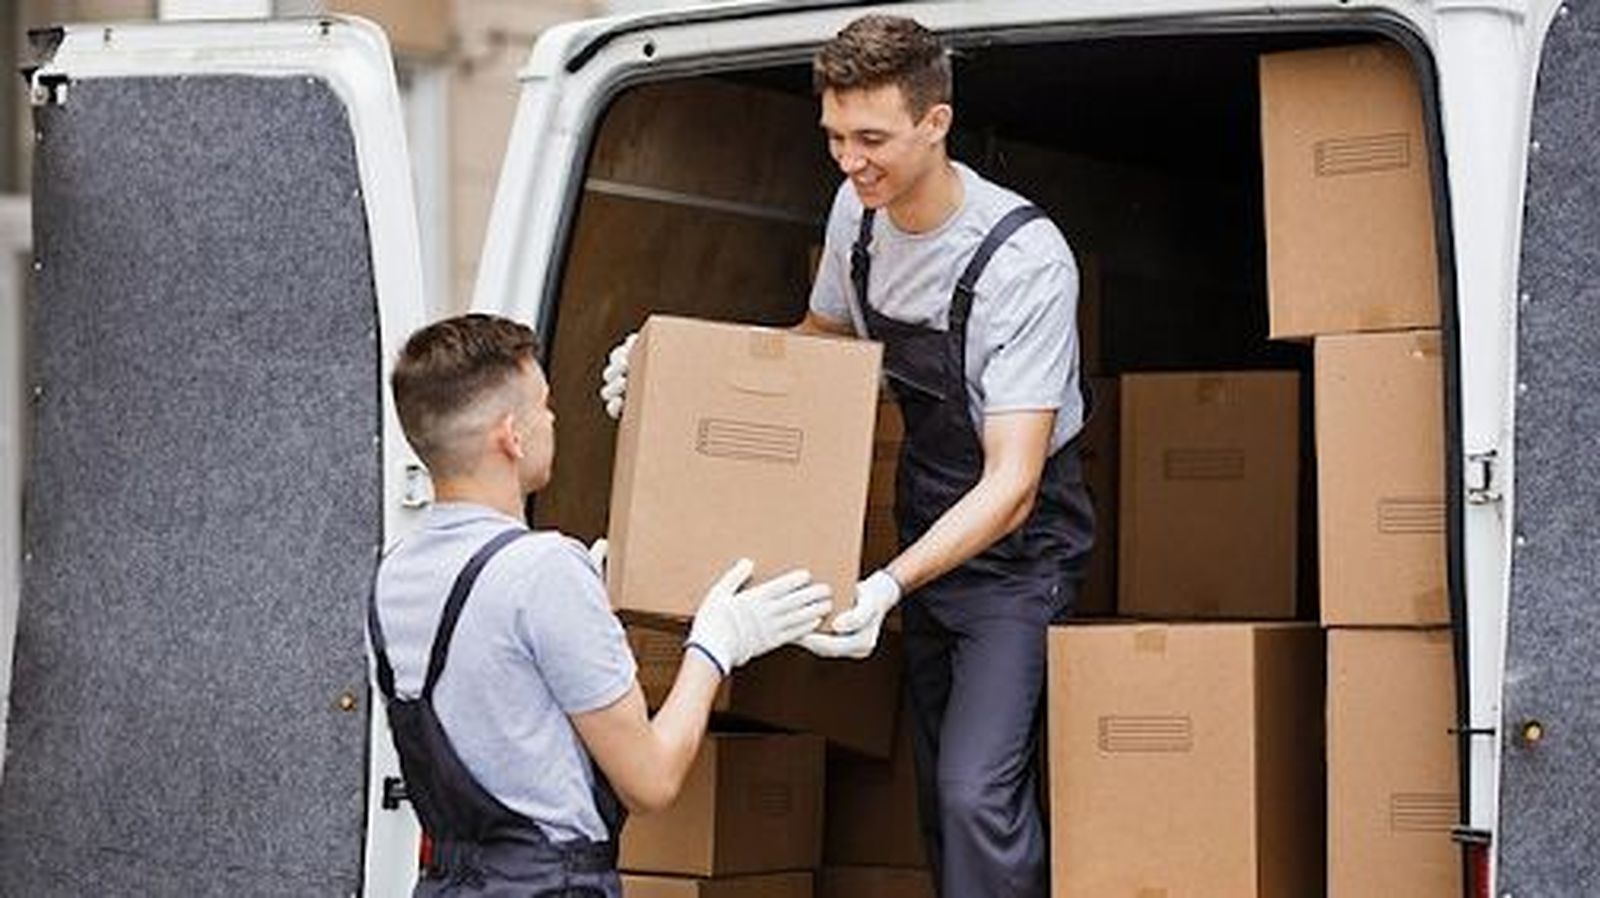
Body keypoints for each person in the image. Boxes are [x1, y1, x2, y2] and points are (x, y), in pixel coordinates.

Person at [600, 14, 1093, 898]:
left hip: (1018, 556)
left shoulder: (1025, 262)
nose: (849, 161)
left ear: (935, 123)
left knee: (975, 795)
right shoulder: (856, 213)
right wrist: (671, 375)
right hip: (927, 519)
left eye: (871, 139)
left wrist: (885, 588)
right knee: (940, 795)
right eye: (834, 136)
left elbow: (1014, 481)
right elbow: (819, 342)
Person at [371, 313, 832, 896]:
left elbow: (503, 713)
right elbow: (651, 780)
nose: (552, 419)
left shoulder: (392, 576)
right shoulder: (545, 571)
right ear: (511, 436)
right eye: (544, 406)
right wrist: (715, 647)